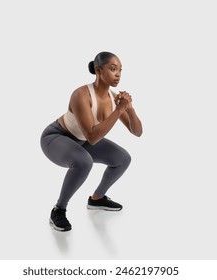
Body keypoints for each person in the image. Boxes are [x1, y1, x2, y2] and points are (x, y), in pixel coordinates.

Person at [40, 51, 143, 231]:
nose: (118, 74)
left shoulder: (114, 98)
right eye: (112, 69)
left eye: (120, 70)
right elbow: (93, 137)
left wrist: (130, 109)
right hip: (57, 137)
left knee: (123, 159)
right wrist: (119, 110)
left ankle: (97, 198)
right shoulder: (81, 95)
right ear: (98, 70)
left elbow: (137, 132)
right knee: (83, 162)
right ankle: (58, 209)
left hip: (82, 140)